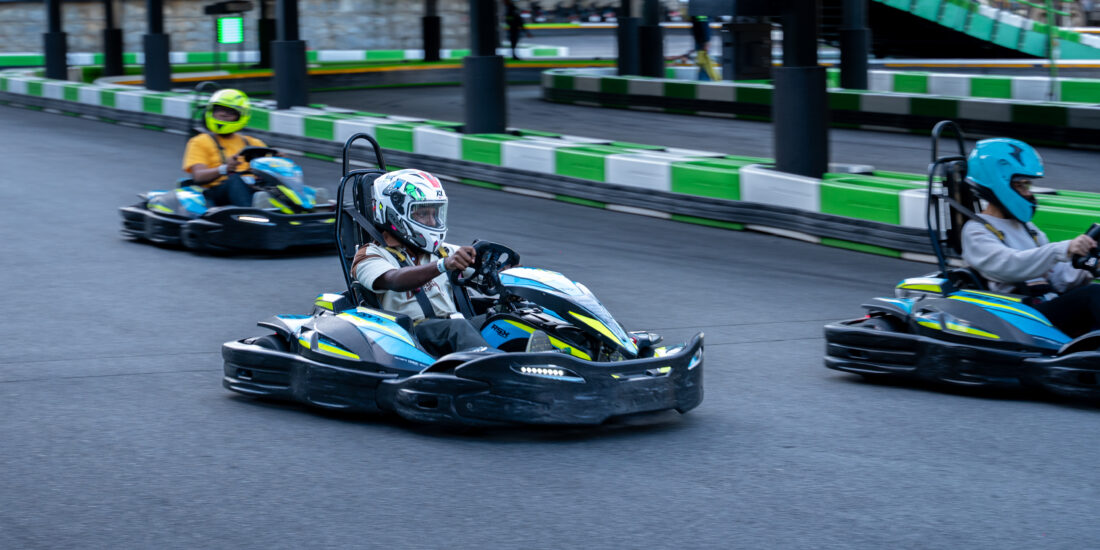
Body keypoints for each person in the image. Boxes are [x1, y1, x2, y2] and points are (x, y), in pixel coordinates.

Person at [960, 137, 1100, 338]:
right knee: (1093, 295)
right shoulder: (976, 231)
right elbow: (1010, 265)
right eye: (1021, 185)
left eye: (1028, 185)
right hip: (1017, 314)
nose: (1027, 193)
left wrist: (1089, 267)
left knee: (1094, 290)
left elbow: (1059, 278)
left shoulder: (1027, 228)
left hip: (1045, 305)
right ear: (998, 183)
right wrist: (1064, 248)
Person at [350, 169, 491, 357]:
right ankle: (502, 368)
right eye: (423, 214)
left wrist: (503, 271)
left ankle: (520, 359)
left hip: (453, 327)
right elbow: (394, 279)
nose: (432, 222)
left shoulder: (442, 251)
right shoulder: (370, 255)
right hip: (410, 337)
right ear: (394, 214)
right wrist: (443, 265)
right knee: (457, 328)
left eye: (435, 213)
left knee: (499, 321)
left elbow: (480, 271)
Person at [182, 88, 268, 208]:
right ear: (211, 111)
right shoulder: (200, 141)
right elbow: (198, 176)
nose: (223, 114)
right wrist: (224, 168)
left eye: (230, 112)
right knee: (235, 179)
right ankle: (253, 213)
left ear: (240, 116)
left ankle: (290, 210)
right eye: (219, 110)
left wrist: (279, 160)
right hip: (216, 194)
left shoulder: (253, 142)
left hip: (252, 188)